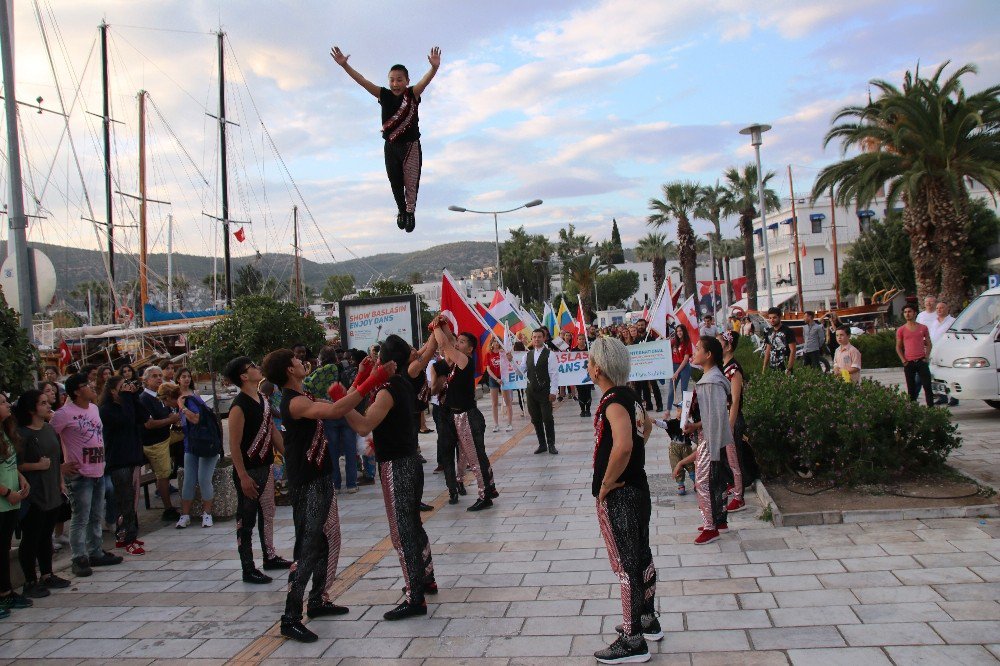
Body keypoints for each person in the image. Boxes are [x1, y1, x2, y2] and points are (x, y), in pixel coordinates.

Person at [262, 347, 390, 643]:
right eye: (295, 360)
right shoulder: (294, 403)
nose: (301, 361)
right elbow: (334, 410)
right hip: (307, 484)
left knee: (327, 541)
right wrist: (373, 380)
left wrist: (361, 376)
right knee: (307, 549)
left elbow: (339, 404)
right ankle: (290, 617)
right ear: (289, 371)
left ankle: (318, 599)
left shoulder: (302, 395)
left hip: (320, 479)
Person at [344, 335, 437, 620]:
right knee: (413, 526)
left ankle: (414, 597)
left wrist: (340, 403)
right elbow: (357, 395)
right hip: (407, 462)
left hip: (398, 466)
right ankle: (426, 578)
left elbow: (363, 426)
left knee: (402, 533)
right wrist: (361, 378)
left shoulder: (387, 390)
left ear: (385, 360)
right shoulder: (402, 383)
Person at [587, 337, 659, 664]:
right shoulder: (630, 396)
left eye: (590, 362)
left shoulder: (613, 401)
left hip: (623, 494)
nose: (587, 367)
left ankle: (632, 639)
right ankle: (646, 617)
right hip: (638, 488)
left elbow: (625, 445)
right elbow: (648, 428)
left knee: (626, 565)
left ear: (599, 367)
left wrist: (607, 483)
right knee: (641, 555)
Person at [330, 45, 441, 233]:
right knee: (395, 181)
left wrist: (434, 68)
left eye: (399, 80)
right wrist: (344, 66)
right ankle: (401, 210)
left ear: (407, 81)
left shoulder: (412, 94)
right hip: (391, 146)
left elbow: (425, 81)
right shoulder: (384, 94)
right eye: (392, 80)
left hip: (411, 145)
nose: (395, 84)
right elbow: (362, 81)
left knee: (411, 182)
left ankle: (410, 212)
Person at [224, 356, 292, 585]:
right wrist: (242, 475)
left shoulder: (262, 398)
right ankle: (247, 567)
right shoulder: (239, 406)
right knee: (246, 519)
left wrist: (287, 456)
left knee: (268, 512)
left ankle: (270, 555)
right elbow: (234, 444)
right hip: (249, 470)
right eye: (251, 367)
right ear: (243, 376)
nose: (256, 368)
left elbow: (271, 430)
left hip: (265, 465)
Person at [50, 373, 123, 577]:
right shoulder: (64, 414)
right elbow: (47, 438)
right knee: (80, 516)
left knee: (95, 514)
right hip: (79, 474)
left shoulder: (93, 408)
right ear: (76, 391)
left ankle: (95, 551)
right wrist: (60, 465)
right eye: (86, 385)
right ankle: (79, 557)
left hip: (98, 468)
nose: (92, 387)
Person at [433, 318, 498, 510]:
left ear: (470, 349)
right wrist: (443, 324)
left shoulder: (464, 360)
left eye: (462, 342)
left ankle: (484, 496)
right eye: (458, 340)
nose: (457, 343)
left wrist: (435, 326)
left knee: (475, 459)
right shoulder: (456, 361)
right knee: (477, 456)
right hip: (460, 416)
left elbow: (444, 343)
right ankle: (490, 488)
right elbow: (449, 340)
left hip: (467, 416)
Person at [675, 336, 733, 545]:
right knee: (713, 481)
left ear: (708, 355)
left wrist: (709, 443)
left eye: (698, 348)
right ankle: (717, 521)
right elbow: (711, 416)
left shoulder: (712, 382)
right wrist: (695, 426)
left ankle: (711, 527)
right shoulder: (710, 379)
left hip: (711, 440)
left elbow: (717, 417)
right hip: (709, 436)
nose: (695, 351)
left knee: (703, 482)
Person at [13, 390, 71, 596]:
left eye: (48, 402)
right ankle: (30, 580)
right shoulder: (22, 434)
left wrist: (60, 481)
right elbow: (15, 465)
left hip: (52, 489)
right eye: (43, 403)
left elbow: (55, 459)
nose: (49, 406)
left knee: (46, 535)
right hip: (34, 493)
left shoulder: (47, 428)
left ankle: (47, 574)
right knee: (32, 537)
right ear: (31, 409)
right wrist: (37, 466)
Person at [159, 383, 219, 529]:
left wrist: (181, 407)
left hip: (206, 443)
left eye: (164, 401)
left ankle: (207, 513)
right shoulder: (182, 403)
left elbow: (196, 419)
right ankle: (185, 515)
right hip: (191, 444)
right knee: (188, 480)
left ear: (168, 397)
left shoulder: (188, 401)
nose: (165, 404)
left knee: (204, 479)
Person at [98, 376, 146, 555]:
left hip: (133, 457)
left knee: (131, 499)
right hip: (119, 460)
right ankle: (129, 538)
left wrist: (133, 397)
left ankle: (125, 535)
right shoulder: (106, 410)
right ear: (112, 391)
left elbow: (143, 417)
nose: (126, 389)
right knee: (125, 500)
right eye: (122, 387)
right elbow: (125, 420)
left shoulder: (128, 404)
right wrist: (127, 398)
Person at [304, 346, 357, 493]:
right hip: (346, 411)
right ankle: (352, 484)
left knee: (332, 450)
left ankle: (336, 484)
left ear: (321, 358)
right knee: (350, 449)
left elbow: (306, 387)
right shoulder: (343, 368)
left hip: (328, 414)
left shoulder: (317, 374)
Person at [0, 394, 32, 614]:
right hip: (4, 499)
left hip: (11, 498)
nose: (7, 405)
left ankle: (6, 591)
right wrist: (7, 492)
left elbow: (10, 462)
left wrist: (20, 478)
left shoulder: (6, 431)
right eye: (2, 403)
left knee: (3, 548)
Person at [719, 331, 757, 513]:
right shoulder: (722, 366)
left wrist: (730, 424)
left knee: (734, 459)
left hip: (731, 418)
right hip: (723, 417)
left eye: (720, 343)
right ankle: (732, 485)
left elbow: (735, 400)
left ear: (729, 346)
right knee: (724, 457)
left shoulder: (734, 369)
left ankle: (739, 496)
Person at [137, 366, 181, 521]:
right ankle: (168, 508)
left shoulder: (158, 396)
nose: (158, 378)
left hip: (165, 436)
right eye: (154, 376)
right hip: (154, 442)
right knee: (163, 474)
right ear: (146, 380)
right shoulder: (144, 399)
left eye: (160, 376)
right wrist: (170, 420)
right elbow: (149, 424)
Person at [508, 328, 559, 455]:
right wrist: (511, 361)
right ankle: (542, 444)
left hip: (545, 391)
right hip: (531, 392)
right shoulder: (527, 355)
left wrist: (554, 391)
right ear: (532, 339)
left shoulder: (550, 354)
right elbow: (520, 372)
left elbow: (554, 374)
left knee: (547, 417)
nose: (536, 339)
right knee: (535, 419)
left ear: (544, 338)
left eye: (539, 337)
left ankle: (551, 444)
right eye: (534, 337)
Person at [896, 303, 933, 406]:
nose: (907, 314)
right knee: (911, 389)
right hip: (909, 363)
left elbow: (929, 343)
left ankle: (931, 409)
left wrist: (926, 357)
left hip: (921, 361)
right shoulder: (901, 330)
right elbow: (898, 347)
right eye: (905, 312)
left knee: (927, 386)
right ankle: (912, 410)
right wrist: (903, 360)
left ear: (915, 313)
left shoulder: (923, 328)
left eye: (909, 312)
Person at [633, 319, 663, 413]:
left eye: (642, 325)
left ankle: (659, 405)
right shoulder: (636, 340)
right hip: (641, 367)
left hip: (651, 366)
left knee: (654, 386)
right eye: (639, 325)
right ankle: (649, 405)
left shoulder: (650, 338)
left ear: (645, 326)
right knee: (644, 386)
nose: (640, 327)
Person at [485, 338, 512, 432]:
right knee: (494, 403)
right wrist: (496, 379)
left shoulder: (503, 353)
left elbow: (510, 362)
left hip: (504, 378)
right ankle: (496, 424)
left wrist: (506, 354)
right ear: (491, 343)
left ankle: (509, 423)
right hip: (493, 379)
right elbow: (488, 369)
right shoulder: (488, 354)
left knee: (507, 401)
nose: (496, 343)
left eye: (498, 341)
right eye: (494, 341)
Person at [665, 325, 693, 413]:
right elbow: (664, 347)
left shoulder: (687, 343)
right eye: (677, 331)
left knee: (684, 390)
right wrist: (666, 341)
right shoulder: (674, 342)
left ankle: (684, 411)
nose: (679, 333)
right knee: (671, 390)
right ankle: (668, 411)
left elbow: (685, 360)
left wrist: (677, 372)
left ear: (684, 331)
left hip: (684, 367)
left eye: (680, 331)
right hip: (674, 366)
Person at [762, 307, 796, 374]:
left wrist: (789, 368)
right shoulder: (769, 332)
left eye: (774, 317)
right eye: (770, 318)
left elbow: (793, 350)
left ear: (780, 317)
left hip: (785, 367)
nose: (772, 320)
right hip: (772, 368)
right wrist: (764, 367)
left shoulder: (787, 331)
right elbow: (768, 350)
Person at [574, 333, 594, 417]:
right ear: (577, 340)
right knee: (580, 393)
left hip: (588, 375)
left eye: (583, 339)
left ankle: (588, 410)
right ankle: (582, 410)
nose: (581, 340)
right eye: (580, 339)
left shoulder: (589, 350)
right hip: (578, 376)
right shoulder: (573, 351)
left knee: (588, 393)